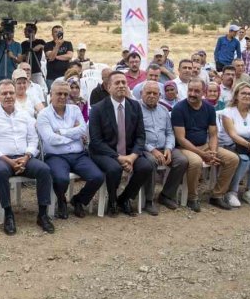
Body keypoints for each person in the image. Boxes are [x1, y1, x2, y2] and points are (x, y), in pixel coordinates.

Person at [0, 80, 53, 234]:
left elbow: (33, 139)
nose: (8, 96)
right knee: (0, 172)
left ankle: (42, 214)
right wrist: (9, 161)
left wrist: (27, 157)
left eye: (11, 93)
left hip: (24, 158)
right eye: (4, 93)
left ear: (15, 95)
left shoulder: (25, 115)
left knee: (44, 170)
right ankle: (8, 214)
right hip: (2, 159)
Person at [37, 81, 104, 220]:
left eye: (65, 94)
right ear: (51, 94)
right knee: (61, 179)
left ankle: (78, 200)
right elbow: (50, 139)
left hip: (78, 154)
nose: (62, 97)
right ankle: (61, 200)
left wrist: (60, 132)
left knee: (97, 177)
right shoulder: (43, 114)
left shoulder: (74, 109)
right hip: (56, 156)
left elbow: (82, 130)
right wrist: (72, 135)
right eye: (59, 93)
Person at [88, 71, 152, 216]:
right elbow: (96, 141)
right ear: (108, 87)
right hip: (105, 152)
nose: (122, 85)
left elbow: (141, 136)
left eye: (124, 82)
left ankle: (125, 198)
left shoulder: (135, 106)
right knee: (114, 168)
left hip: (129, 152)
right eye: (117, 83)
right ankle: (112, 201)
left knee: (146, 167)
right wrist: (119, 157)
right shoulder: (98, 109)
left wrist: (132, 157)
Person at [171, 79, 239, 211]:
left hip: (205, 146)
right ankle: (192, 197)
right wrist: (203, 154)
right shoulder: (179, 108)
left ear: (203, 92)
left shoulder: (208, 108)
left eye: (196, 91)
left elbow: (213, 134)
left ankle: (217, 195)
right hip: (185, 147)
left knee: (232, 159)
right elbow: (181, 138)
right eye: (190, 90)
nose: (192, 93)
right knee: (196, 162)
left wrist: (212, 152)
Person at [139, 80, 188, 214]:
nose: (152, 95)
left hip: (163, 147)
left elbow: (169, 132)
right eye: (148, 92)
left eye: (155, 93)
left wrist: (168, 148)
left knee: (182, 161)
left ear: (160, 95)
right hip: (144, 149)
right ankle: (148, 200)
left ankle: (166, 195)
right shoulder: (136, 110)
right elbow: (135, 136)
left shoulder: (164, 110)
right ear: (141, 94)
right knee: (150, 162)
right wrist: (153, 150)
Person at [218, 83, 250, 207]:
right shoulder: (228, 112)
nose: (246, 96)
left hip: (247, 145)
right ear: (236, 96)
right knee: (244, 159)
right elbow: (233, 135)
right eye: (243, 93)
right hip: (230, 145)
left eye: (249, 94)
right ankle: (232, 192)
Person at [20, 23, 47, 88]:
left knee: (39, 87)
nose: (24, 32)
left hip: (37, 70)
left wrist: (40, 46)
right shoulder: (24, 44)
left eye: (26, 30)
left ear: (32, 31)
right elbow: (21, 57)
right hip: (26, 70)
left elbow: (47, 49)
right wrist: (28, 53)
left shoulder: (40, 41)